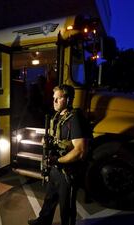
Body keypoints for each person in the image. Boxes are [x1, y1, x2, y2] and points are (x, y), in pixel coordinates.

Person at [28, 84, 91, 225]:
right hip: (56, 167)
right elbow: (56, 138)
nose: (55, 101)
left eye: (59, 98)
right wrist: (47, 140)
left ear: (68, 100)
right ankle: (43, 222)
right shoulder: (57, 116)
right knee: (50, 199)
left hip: (68, 171)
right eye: (53, 98)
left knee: (66, 208)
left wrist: (58, 160)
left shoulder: (75, 118)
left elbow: (80, 151)